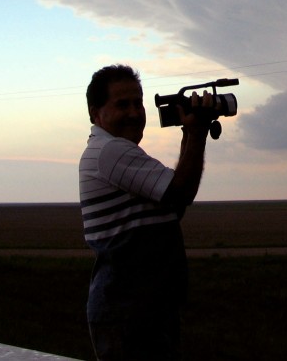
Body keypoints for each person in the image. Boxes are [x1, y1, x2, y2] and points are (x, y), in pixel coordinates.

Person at [79, 64, 214, 360]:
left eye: (138, 103)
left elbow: (172, 206)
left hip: (140, 312)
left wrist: (189, 136)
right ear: (95, 113)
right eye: (122, 104)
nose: (134, 113)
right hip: (129, 315)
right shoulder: (111, 151)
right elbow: (181, 191)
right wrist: (197, 132)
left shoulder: (112, 152)